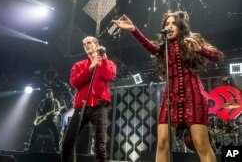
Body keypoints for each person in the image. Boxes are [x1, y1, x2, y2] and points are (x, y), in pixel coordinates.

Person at [112, 11, 223, 162]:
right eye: (166, 24)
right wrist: (133, 30)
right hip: (171, 98)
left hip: (194, 96)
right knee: (162, 143)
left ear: (180, 28)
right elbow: (150, 46)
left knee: (201, 144)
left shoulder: (191, 41)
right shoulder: (163, 47)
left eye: (173, 24)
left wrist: (200, 49)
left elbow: (217, 56)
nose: (169, 27)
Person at [61, 36, 117, 162]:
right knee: (67, 142)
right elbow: (75, 82)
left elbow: (108, 76)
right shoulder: (79, 65)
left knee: (99, 145)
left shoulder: (108, 63)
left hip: (99, 107)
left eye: (89, 43)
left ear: (97, 45)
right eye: (84, 44)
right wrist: (90, 67)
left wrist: (104, 59)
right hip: (81, 107)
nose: (86, 45)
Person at [28, 88, 61, 152]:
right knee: (34, 132)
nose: (50, 95)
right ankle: (30, 147)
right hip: (42, 119)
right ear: (46, 94)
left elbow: (59, 110)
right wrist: (38, 117)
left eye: (51, 94)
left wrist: (55, 114)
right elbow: (38, 110)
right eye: (48, 94)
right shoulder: (42, 101)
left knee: (56, 133)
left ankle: (57, 147)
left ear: (52, 94)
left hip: (50, 119)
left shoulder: (55, 101)